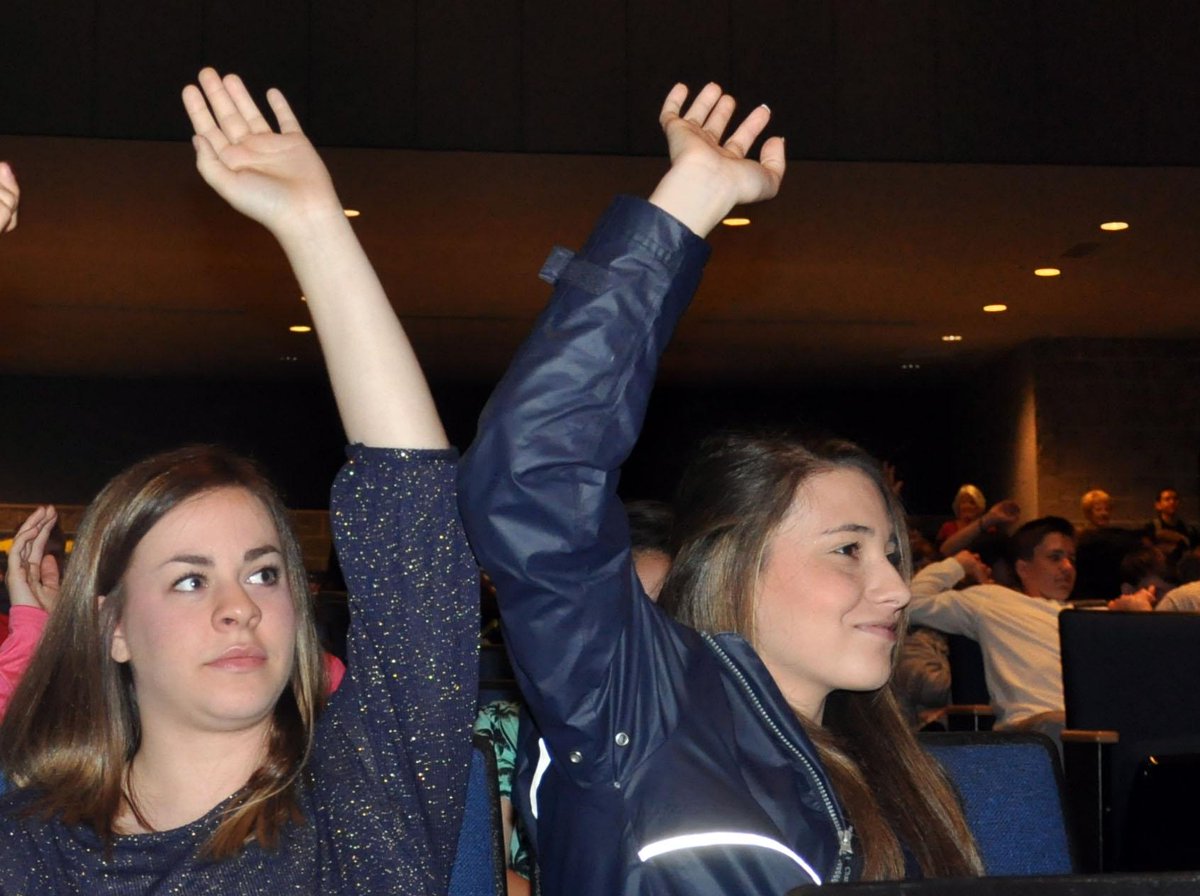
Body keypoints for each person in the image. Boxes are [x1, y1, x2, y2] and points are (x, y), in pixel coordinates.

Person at [459, 82, 981, 894]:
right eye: (848, 549)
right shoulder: (638, 714)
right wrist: (692, 197)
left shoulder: (904, 775)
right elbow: (533, 469)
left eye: (890, 550)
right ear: (731, 559)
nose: (893, 585)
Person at [0, 69, 477, 893]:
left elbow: (416, 526)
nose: (240, 606)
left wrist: (315, 226)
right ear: (112, 629)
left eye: (264, 571)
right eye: (189, 579)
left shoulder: (363, 810)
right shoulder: (32, 849)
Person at [908, 517, 1153, 737]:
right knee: (1075, 727)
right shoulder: (992, 600)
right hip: (1035, 729)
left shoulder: (1093, 617)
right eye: (1055, 557)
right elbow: (912, 603)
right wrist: (958, 564)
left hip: (1095, 728)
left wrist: (1137, 619)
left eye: (1072, 559)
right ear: (1023, 567)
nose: (1068, 567)